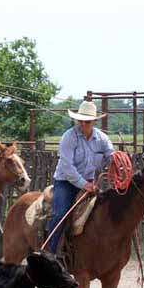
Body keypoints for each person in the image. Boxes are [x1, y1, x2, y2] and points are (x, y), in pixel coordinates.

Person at [46, 100, 114, 254]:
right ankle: (49, 252)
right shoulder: (69, 137)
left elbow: (111, 156)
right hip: (66, 182)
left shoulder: (102, 139)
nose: (83, 125)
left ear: (94, 122)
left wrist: (118, 162)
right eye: (81, 121)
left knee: (104, 213)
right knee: (61, 213)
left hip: (90, 183)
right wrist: (84, 184)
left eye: (87, 122)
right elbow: (67, 166)